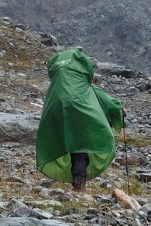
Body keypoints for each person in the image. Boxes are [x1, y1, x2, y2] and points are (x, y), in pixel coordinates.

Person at [35, 48, 124, 189]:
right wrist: (120, 114)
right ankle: (79, 181)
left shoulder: (57, 86)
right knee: (80, 147)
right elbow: (108, 102)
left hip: (55, 109)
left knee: (71, 145)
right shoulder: (84, 87)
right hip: (79, 110)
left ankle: (77, 178)